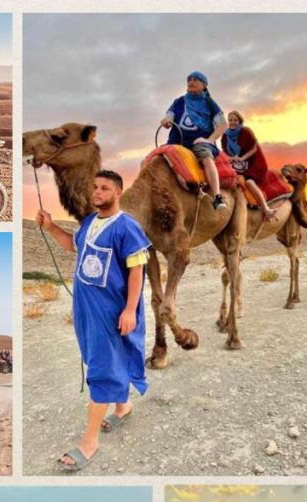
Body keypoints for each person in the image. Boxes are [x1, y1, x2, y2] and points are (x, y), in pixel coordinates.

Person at [36, 170, 150, 472]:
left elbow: (137, 271)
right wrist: (50, 227)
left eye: (104, 188)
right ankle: (123, 406)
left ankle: (89, 441)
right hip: (86, 309)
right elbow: (74, 246)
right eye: (94, 187)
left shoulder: (127, 228)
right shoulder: (89, 223)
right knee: (99, 359)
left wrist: (129, 310)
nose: (97, 192)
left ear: (117, 193)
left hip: (111, 311)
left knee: (101, 369)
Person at [161, 71, 228, 210]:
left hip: (199, 142)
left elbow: (223, 124)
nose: (191, 82)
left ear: (203, 85)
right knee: (149, 160)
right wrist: (166, 121)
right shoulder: (179, 102)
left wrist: (210, 140)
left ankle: (217, 197)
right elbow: (169, 116)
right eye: (189, 80)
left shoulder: (210, 103)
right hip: (177, 142)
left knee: (206, 159)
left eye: (195, 80)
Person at [221, 110, 274, 219]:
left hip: (253, 163)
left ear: (239, 121)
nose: (232, 122)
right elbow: (225, 153)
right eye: (230, 120)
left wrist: (241, 159)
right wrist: (232, 158)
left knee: (249, 182)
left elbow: (254, 148)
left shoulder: (246, 132)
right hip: (236, 164)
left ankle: (266, 208)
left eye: (235, 120)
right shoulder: (225, 136)